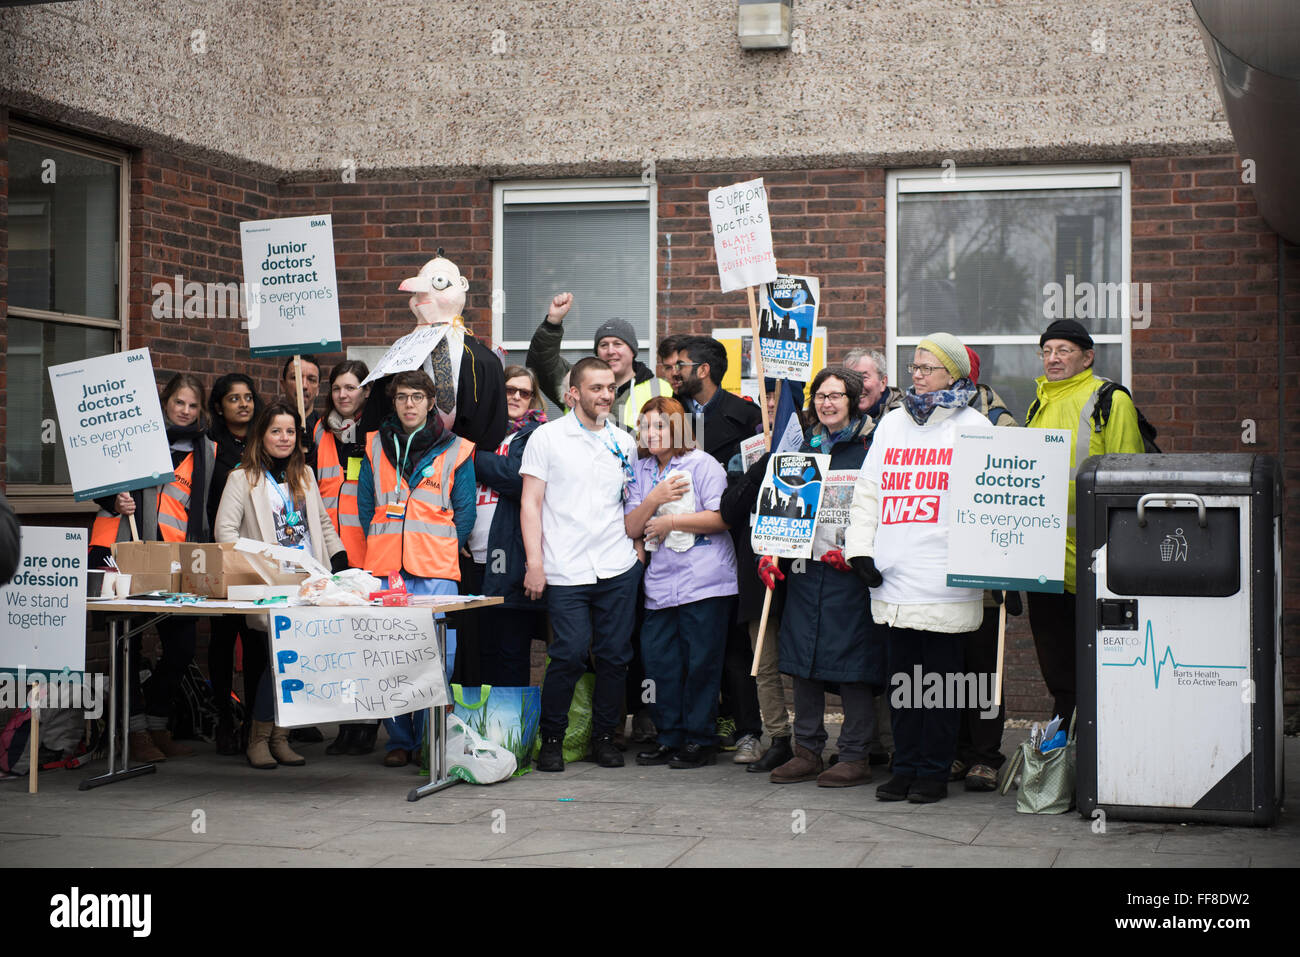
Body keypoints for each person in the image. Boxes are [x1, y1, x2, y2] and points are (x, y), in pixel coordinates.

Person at [845, 334, 989, 803]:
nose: (918, 375)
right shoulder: (890, 424)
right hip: (896, 576)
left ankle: (932, 770)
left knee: (943, 686)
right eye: (914, 367)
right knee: (903, 684)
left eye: (928, 367)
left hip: (947, 578)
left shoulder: (974, 424)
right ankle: (904, 766)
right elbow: (869, 491)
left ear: (953, 374)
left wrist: (1003, 566)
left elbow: (991, 499)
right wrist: (860, 550)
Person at [754, 367, 883, 787]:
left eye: (836, 396)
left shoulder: (873, 447)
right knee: (801, 660)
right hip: (807, 573)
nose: (827, 403)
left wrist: (861, 552)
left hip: (851, 577)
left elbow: (884, 510)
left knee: (854, 666)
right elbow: (779, 507)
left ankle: (854, 755)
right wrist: (770, 551)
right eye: (821, 396)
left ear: (854, 400)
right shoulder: (801, 450)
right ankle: (806, 750)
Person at [520, 357, 642, 772]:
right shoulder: (547, 438)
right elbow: (530, 503)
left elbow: (631, 501)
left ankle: (605, 738)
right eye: (597, 388)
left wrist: (638, 550)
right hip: (565, 568)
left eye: (610, 387)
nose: (606, 395)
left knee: (614, 656)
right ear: (574, 394)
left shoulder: (624, 442)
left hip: (616, 565)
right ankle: (551, 739)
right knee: (569, 654)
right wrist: (534, 563)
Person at [214, 402, 348, 770]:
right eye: (276, 431)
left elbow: (321, 524)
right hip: (268, 583)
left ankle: (280, 736)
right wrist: (260, 563)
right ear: (261, 435)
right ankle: (258, 738)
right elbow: (224, 533)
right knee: (271, 663)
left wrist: (339, 559)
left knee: (295, 663)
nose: (284, 438)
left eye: (290, 431)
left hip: (308, 583)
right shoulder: (241, 478)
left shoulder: (304, 473)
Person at [89, 373, 215, 763]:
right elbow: (93, 478)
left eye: (193, 405)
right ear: (165, 403)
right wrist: (114, 500)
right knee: (124, 642)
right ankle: (135, 731)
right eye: (179, 403)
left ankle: (158, 723)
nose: (186, 411)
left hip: (172, 558)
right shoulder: (132, 437)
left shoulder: (207, 450)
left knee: (179, 645)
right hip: (119, 547)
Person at [1024, 318, 1143, 720]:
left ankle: (1100, 753)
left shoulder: (1110, 400)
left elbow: (1128, 481)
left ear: (1087, 357)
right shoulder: (1038, 402)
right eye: (1046, 351)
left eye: (1063, 351)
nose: (1052, 359)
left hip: (1095, 561)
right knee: (1058, 669)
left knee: (1100, 669)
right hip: (1043, 561)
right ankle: (1067, 752)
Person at [357, 369, 477, 767]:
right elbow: (365, 506)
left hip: (435, 570)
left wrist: (443, 549)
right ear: (393, 402)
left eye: (417, 397)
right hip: (385, 567)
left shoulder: (455, 448)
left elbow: (465, 512)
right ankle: (399, 741)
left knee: (437, 657)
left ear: (431, 402)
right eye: (402, 397)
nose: (409, 404)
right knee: (388, 656)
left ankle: (432, 738)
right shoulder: (375, 445)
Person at [623, 397, 737, 768]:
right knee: (659, 664)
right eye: (645, 427)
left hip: (705, 581)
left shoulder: (703, 465)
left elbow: (721, 518)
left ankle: (700, 740)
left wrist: (672, 522)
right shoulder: (640, 471)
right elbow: (632, 526)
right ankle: (669, 737)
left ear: (679, 428)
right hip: (660, 584)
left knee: (701, 664)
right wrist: (655, 498)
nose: (652, 434)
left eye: (660, 426)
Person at [672, 335, 766, 761]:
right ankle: (697, 727)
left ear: (703, 370)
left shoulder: (747, 416)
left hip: (734, 542)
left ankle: (749, 729)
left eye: (682, 365)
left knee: (734, 643)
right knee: (685, 645)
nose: (674, 372)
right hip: (676, 549)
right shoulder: (670, 416)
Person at [950, 345, 1020, 792]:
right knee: (948, 669)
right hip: (935, 570)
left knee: (982, 668)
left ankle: (985, 755)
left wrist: (1014, 570)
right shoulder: (924, 421)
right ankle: (957, 749)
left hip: (984, 571)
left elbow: (1016, 494)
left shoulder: (1000, 424)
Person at [359, 255, 507, 451]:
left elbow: (492, 422)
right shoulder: (398, 359)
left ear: (461, 286)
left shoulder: (484, 362)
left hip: (466, 463)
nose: (425, 295)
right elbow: (376, 418)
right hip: (404, 462)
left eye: (438, 283)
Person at [719, 385, 794, 772]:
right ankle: (779, 737)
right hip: (756, 572)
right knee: (762, 661)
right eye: (765, 401)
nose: (771, 408)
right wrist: (758, 470)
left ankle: (841, 742)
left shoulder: (812, 448)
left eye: (779, 403)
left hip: (802, 574)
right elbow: (729, 510)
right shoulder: (742, 455)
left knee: (809, 661)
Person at [311, 359, 379, 756]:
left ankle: (368, 724)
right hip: (328, 550)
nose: (343, 395)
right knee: (338, 645)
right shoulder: (317, 430)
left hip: (366, 549)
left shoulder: (375, 433)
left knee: (365, 643)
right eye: (337, 388)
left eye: (351, 387)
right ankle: (345, 723)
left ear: (365, 392)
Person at [466, 365, 549, 686]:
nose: (515, 396)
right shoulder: (481, 433)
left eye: (524, 392)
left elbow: (519, 478)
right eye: (508, 390)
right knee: (479, 652)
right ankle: (482, 731)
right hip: (473, 559)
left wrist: (472, 456)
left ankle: (511, 734)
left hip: (512, 559)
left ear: (533, 399)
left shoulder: (536, 435)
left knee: (511, 652)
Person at [842, 347, 904, 766]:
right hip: (857, 557)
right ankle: (876, 746)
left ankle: (897, 746)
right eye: (849, 378)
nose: (857, 385)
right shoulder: (837, 429)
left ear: (882, 381)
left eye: (864, 377)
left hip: (899, 559)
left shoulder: (902, 421)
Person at [206, 373, 263, 756]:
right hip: (221, 553)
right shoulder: (210, 446)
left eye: (247, 398)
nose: (242, 404)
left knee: (257, 639)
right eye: (233, 399)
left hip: (260, 557)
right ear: (219, 406)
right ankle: (223, 715)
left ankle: (254, 722)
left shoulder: (264, 442)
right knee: (223, 639)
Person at [525, 292, 671, 434]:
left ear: (633, 351)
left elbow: (673, 437)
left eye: (618, 344)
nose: (610, 351)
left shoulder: (660, 389)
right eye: (603, 345)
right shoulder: (575, 379)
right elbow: (540, 365)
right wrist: (552, 323)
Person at [282, 354, 321, 443]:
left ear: (318, 389)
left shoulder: (328, 431)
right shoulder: (267, 428)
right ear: (283, 385)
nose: (303, 386)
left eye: (311, 379)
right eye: (295, 378)